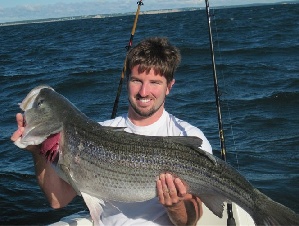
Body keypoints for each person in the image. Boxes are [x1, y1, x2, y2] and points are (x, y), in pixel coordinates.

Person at [11, 37, 212, 226]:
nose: (143, 92)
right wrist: (37, 152)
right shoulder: (99, 133)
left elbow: (190, 221)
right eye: (136, 80)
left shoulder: (188, 137)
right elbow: (58, 200)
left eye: (154, 83)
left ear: (169, 86)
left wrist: (175, 205)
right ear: (127, 81)